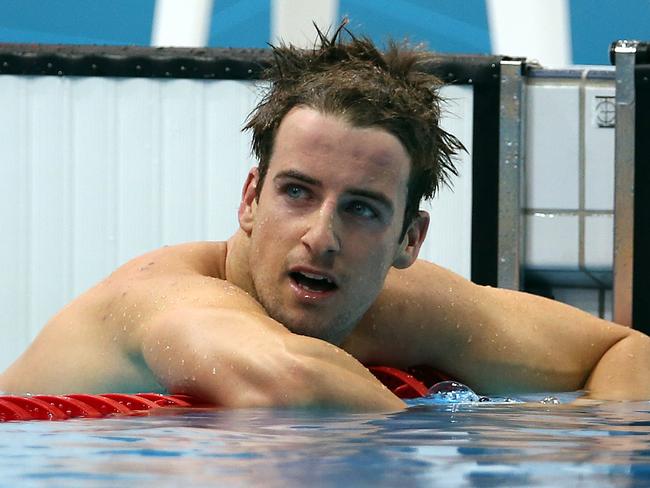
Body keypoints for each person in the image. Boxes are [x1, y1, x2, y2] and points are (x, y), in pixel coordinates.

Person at [1, 26, 648, 410]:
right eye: (297, 193)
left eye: (362, 209)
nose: (321, 236)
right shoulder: (165, 299)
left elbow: (626, 352)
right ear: (250, 198)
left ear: (409, 240)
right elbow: (288, 381)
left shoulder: (405, 306)